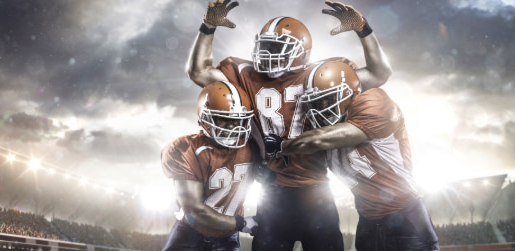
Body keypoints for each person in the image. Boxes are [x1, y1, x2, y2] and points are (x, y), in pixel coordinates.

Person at [186, 0, 392, 250]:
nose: (266, 53)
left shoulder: (323, 75)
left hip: (316, 189)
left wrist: (364, 30)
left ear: (301, 50)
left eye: (275, 46)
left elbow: (379, 73)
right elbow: (198, 72)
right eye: (264, 46)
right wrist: (208, 26)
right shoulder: (246, 74)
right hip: (273, 192)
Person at [265, 60, 439, 250]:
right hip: (367, 220)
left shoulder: (375, 104)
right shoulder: (321, 131)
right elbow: (305, 157)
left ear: (350, 93)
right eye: (317, 101)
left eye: (329, 99)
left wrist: (281, 146)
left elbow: (318, 140)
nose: (322, 107)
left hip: (406, 215)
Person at [161, 81, 260, 251]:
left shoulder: (253, 148)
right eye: (223, 119)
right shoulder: (186, 148)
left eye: (236, 120)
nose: (231, 126)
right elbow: (194, 212)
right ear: (205, 118)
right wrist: (240, 223)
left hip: (227, 238)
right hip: (189, 233)